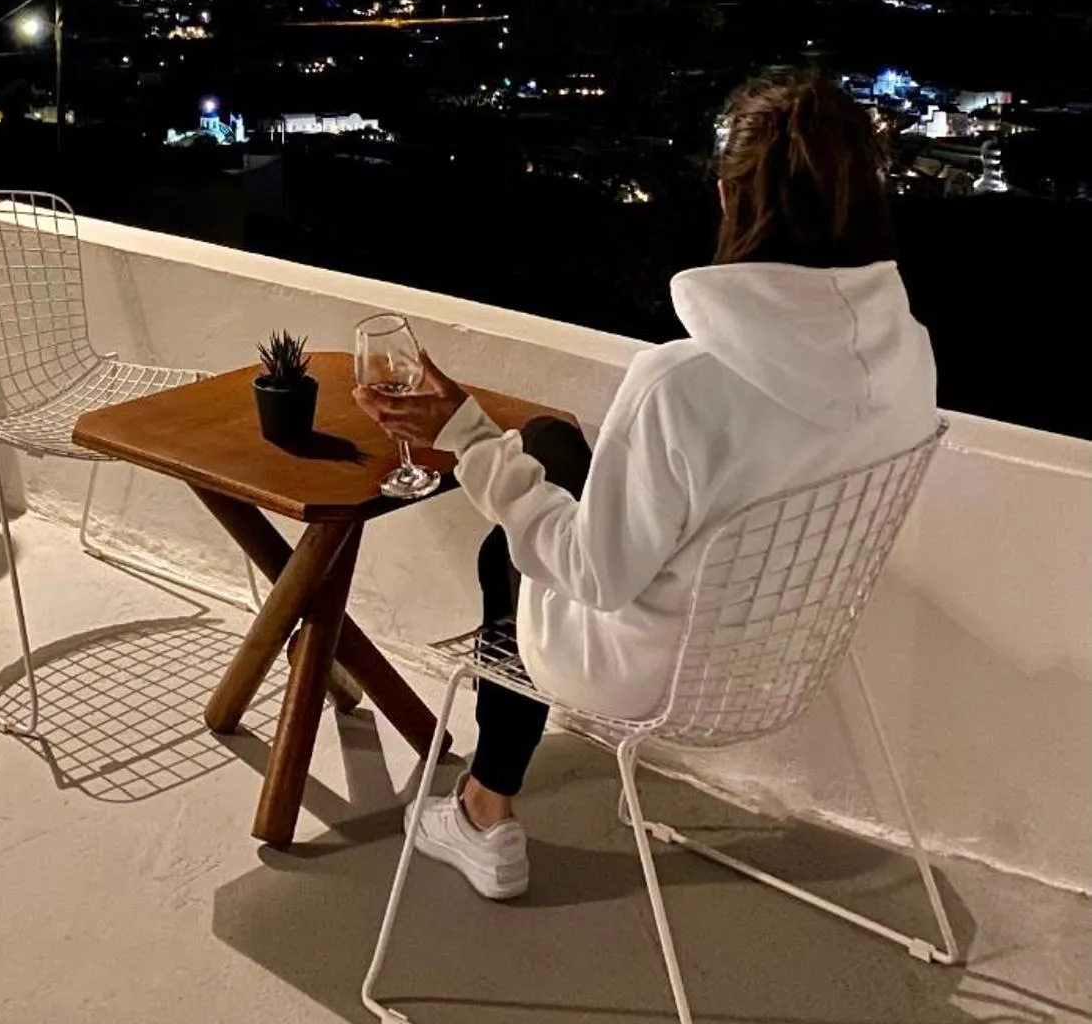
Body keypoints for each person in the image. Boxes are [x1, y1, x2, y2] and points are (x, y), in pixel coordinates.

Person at [357, 66, 938, 902]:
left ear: (731, 198)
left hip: (653, 677)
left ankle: (485, 808)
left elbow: (593, 577)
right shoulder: (907, 353)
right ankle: (485, 799)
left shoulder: (682, 383)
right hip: (792, 648)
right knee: (550, 448)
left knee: (511, 535)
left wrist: (466, 437)